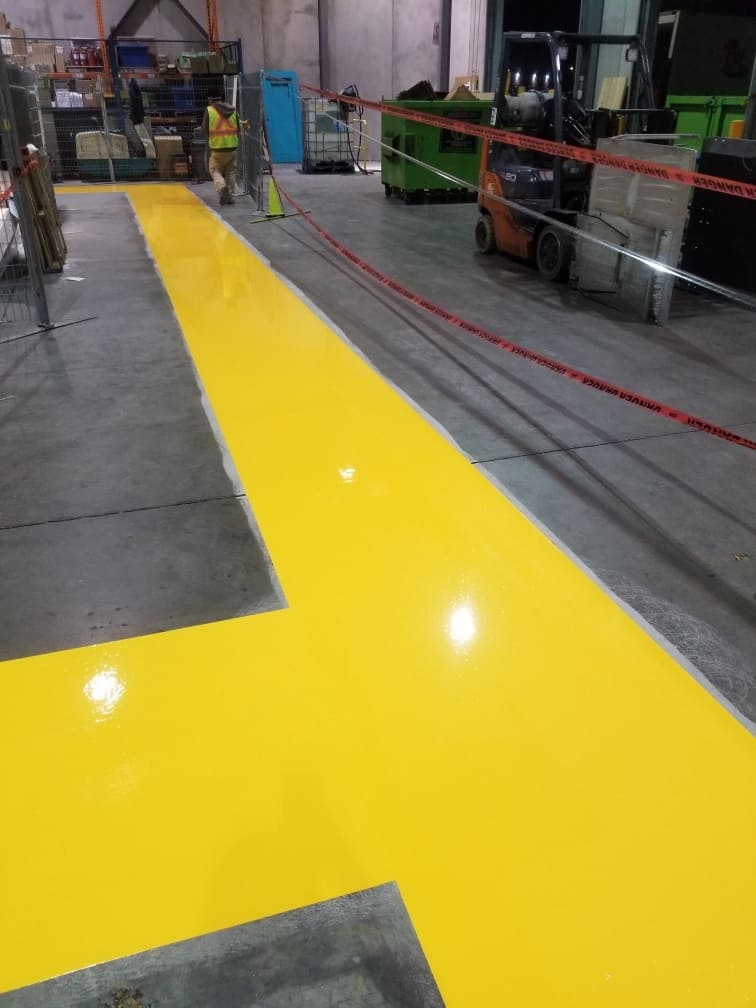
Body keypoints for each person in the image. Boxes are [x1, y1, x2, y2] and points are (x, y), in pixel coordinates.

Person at [202, 95, 240, 205]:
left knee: (215, 170)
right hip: (232, 148)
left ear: (210, 99)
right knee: (230, 172)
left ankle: (221, 187)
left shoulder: (209, 110)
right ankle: (231, 197)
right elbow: (238, 128)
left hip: (217, 149)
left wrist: (212, 137)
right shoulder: (233, 110)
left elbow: (205, 129)